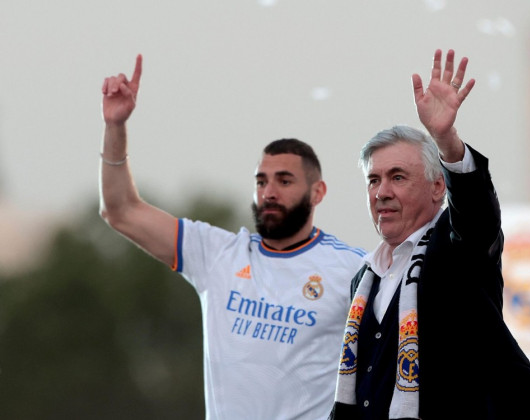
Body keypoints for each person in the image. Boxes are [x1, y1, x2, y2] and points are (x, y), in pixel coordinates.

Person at [328, 49, 530, 419]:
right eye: (373, 180)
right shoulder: (365, 277)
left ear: (439, 187)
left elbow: (476, 219)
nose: (382, 192)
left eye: (398, 177)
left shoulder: (454, 250)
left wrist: (447, 142)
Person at [99, 54, 366, 420]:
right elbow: (120, 210)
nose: (269, 192)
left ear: (317, 192)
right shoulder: (217, 254)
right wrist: (116, 126)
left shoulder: (354, 268)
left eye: (284, 181)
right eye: (261, 181)